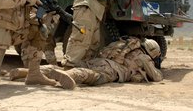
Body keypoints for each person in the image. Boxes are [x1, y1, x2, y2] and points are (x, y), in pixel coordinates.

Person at [9, 37, 163, 90]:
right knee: (92, 76)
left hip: (99, 60)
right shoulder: (144, 57)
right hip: (111, 70)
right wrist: (156, 68)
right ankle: (69, 75)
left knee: (81, 67)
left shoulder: (126, 45)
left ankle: (25, 72)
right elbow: (156, 77)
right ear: (152, 51)